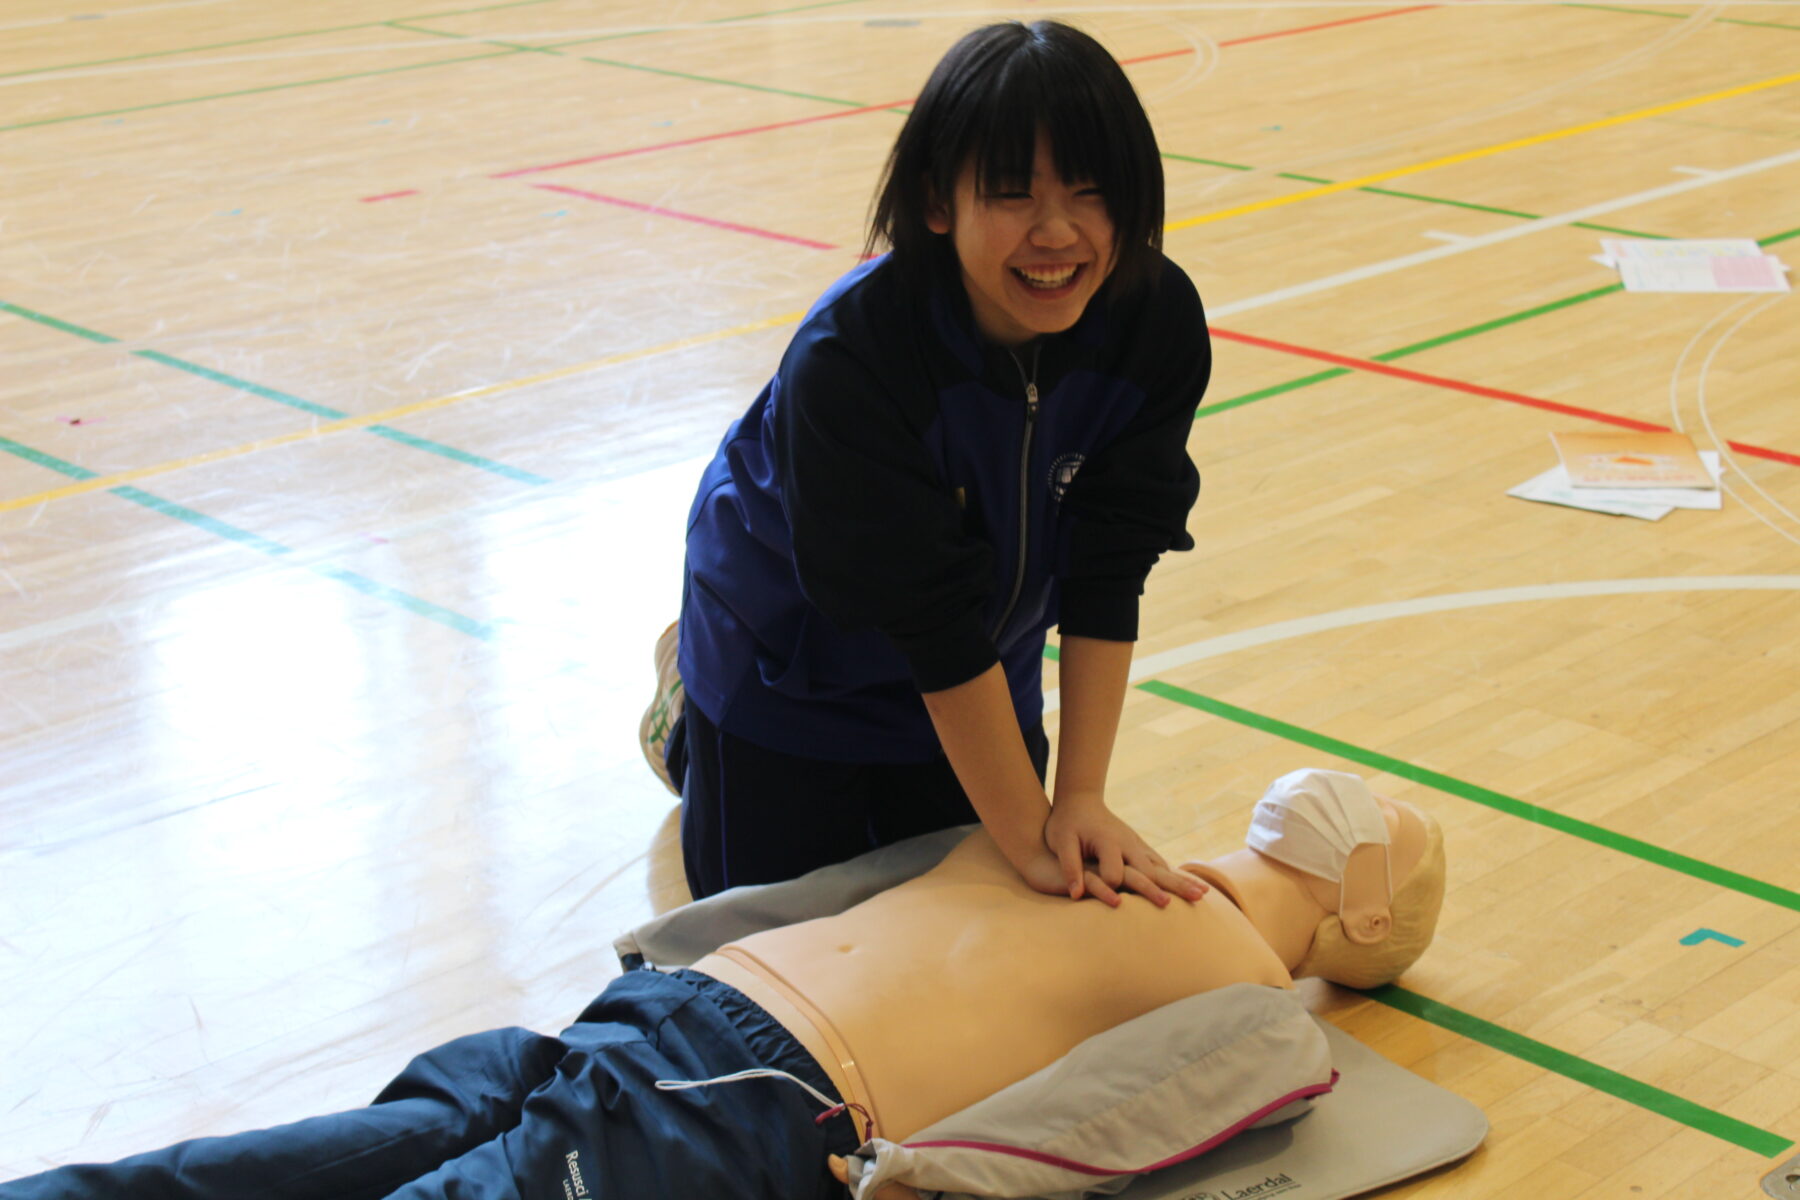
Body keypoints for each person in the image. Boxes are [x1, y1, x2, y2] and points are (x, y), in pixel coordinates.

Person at [0, 769, 1446, 1200]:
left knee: (254, 1175)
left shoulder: (1070, 834)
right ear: (1368, 933)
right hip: (754, 1101)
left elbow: (837, 892)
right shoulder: (1255, 1000)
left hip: (664, 1017)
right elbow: (1108, 1130)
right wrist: (915, 1181)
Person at [653, 19, 1213, 904]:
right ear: (936, 202)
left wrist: (1079, 802)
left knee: (995, 923)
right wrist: (1033, 844)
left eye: (1092, 192)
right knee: (771, 948)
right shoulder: (852, 361)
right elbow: (930, 622)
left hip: (983, 660)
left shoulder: (1154, 323)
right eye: (1012, 196)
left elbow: (1111, 559)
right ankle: (686, 719)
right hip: (790, 665)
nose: (1058, 232)